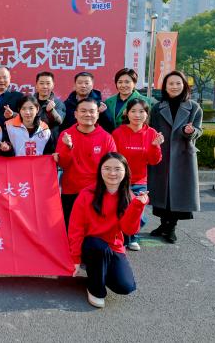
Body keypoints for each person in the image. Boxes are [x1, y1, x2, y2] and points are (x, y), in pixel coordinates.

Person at [68, 152, 149, 308]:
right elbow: (75, 229)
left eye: (117, 169)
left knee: (125, 286)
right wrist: (75, 259)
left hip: (113, 247)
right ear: (100, 170)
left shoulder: (130, 196)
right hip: (91, 245)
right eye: (107, 168)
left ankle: (97, 272)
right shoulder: (87, 194)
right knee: (97, 245)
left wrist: (137, 207)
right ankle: (95, 289)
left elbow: (129, 230)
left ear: (125, 171)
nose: (112, 173)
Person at [148, 71, 203, 244]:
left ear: (184, 85)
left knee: (178, 193)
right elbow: (151, 129)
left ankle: (171, 227)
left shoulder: (194, 107)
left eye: (178, 83)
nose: (174, 86)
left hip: (183, 155)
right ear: (165, 86)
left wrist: (191, 131)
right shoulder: (157, 108)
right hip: (162, 154)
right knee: (162, 193)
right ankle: (163, 225)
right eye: (170, 83)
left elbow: (199, 130)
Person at [56, 98, 117, 229]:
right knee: (71, 228)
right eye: (83, 111)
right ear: (76, 114)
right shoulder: (66, 135)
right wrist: (68, 147)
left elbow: (112, 167)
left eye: (92, 111)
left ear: (98, 114)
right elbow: (62, 164)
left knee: (94, 230)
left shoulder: (107, 138)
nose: (88, 114)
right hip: (71, 191)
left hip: (97, 192)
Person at [112, 98, 163, 251]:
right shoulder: (118, 132)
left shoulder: (151, 133)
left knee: (137, 209)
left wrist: (155, 146)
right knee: (122, 209)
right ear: (127, 113)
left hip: (140, 180)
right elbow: (112, 157)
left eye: (141, 111)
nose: (137, 115)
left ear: (147, 114)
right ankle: (123, 238)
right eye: (133, 111)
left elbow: (154, 161)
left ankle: (132, 237)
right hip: (119, 180)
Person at [34, 71, 65, 142]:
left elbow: (59, 121)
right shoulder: (29, 102)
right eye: (41, 83)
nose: (45, 86)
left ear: (53, 85)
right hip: (32, 141)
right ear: (36, 85)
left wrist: (51, 111)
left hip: (50, 142)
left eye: (48, 83)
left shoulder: (58, 103)